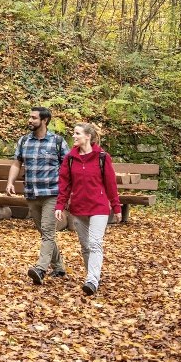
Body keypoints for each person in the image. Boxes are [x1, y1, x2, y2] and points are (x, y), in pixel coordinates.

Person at [54, 122, 120, 295]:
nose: (74, 136)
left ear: (87, 137)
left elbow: (111, 183)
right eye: (74, 133)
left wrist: (116, 206)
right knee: (85, 246)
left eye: (77, 133)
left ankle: (91, 280)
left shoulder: (102, 157)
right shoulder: (69, 158)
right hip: (78, 207)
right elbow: (64, 184)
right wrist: (60, 205)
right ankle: (93, 275)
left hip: (99, 206)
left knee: (95, 243)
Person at [6, 107, 70, 285]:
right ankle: (59, 267)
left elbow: (68, 168)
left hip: (52, 194)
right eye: (29, 117)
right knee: (44, 232)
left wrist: (67, 193)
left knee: (48, 232)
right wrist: (10, 182)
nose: (30, 120)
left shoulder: (57, 142)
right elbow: (17, 163)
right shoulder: (24, 141)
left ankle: (40, 269)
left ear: (45, 120)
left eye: (34, 118)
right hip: (32, 193)